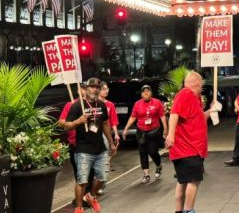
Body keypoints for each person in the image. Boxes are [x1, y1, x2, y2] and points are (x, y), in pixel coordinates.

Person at [62, 78, 117, 213]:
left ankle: (91, 196)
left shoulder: (102, 105)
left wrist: (111, 142)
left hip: (100, 149)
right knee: (82, 180)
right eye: (92, 87)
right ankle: (79, 207)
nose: (95, 89)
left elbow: (105, 124)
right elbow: (66, 127)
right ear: (86, 88)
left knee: (103, 177)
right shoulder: (76, 106)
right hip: (83, 149)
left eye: (97, 87)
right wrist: (78, 121)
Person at [165, 71, 213, 213]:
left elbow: (199, 118)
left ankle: (180, 211)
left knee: (183, 182)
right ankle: (189, 210)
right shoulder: (185, 94)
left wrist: (212, 110)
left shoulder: (194, 98)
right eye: (201, 85)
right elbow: (174, 114)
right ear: (198, 84)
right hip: (187, 149)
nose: (202, 88)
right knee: (193, 181)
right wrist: (171, 135)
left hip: (190, 149)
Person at [123, 85, 168, 183]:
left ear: (151, 93)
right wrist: (126, 128)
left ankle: (158, 165)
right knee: (142, 152)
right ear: (141, 94)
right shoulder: (137, 104)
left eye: (148, 91)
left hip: (154, 131)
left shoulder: (157, 102)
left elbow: (162, 116)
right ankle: (146, 175)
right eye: (144, 92)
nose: (146, 93)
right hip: (141, 131)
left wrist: (165, 129)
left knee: (152, 151)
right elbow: (133, 117)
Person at [96, 82, 120, 194]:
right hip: (95, 133)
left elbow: (113, 121)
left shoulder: (110, 105)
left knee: (106, 159)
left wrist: (116, 134)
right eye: (103, 89)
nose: (106, 91)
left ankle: (101, 184)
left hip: (106, 134)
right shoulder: (94, 103)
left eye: (107, 89)